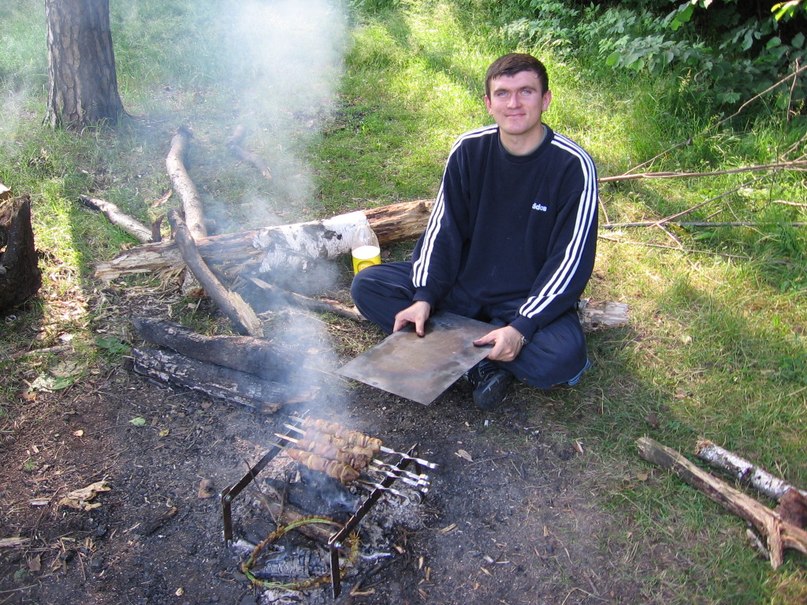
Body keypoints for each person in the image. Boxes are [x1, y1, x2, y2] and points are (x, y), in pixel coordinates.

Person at [351, 53, 598, 410]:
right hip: (461, 287)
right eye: (502, 93)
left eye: (526, 92)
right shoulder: (468, 149)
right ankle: (483, 363)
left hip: (521, 298)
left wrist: (523, 326)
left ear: (545, 100)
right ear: (488, 103)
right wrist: (424, 296)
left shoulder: (572, 166)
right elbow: (443, 229)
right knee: (368, 286)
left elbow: (571, 260)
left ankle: (475, 343)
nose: (513, 103)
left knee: (562, 358)